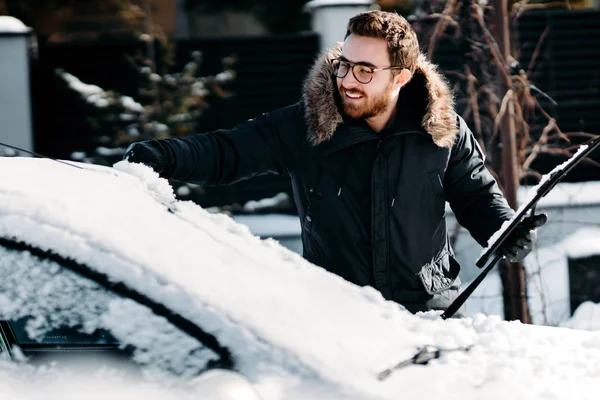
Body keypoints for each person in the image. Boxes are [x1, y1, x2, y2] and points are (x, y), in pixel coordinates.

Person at [124, 10, 546, 316]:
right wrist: (160, 156)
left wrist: (503, 231)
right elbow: (227, 151)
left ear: (401, 76)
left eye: (365, 70)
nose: (346, 79)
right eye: (344, 64)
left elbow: (475, 194)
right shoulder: (307, 124)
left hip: (432, 313)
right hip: (340, 317)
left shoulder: (440, 129)